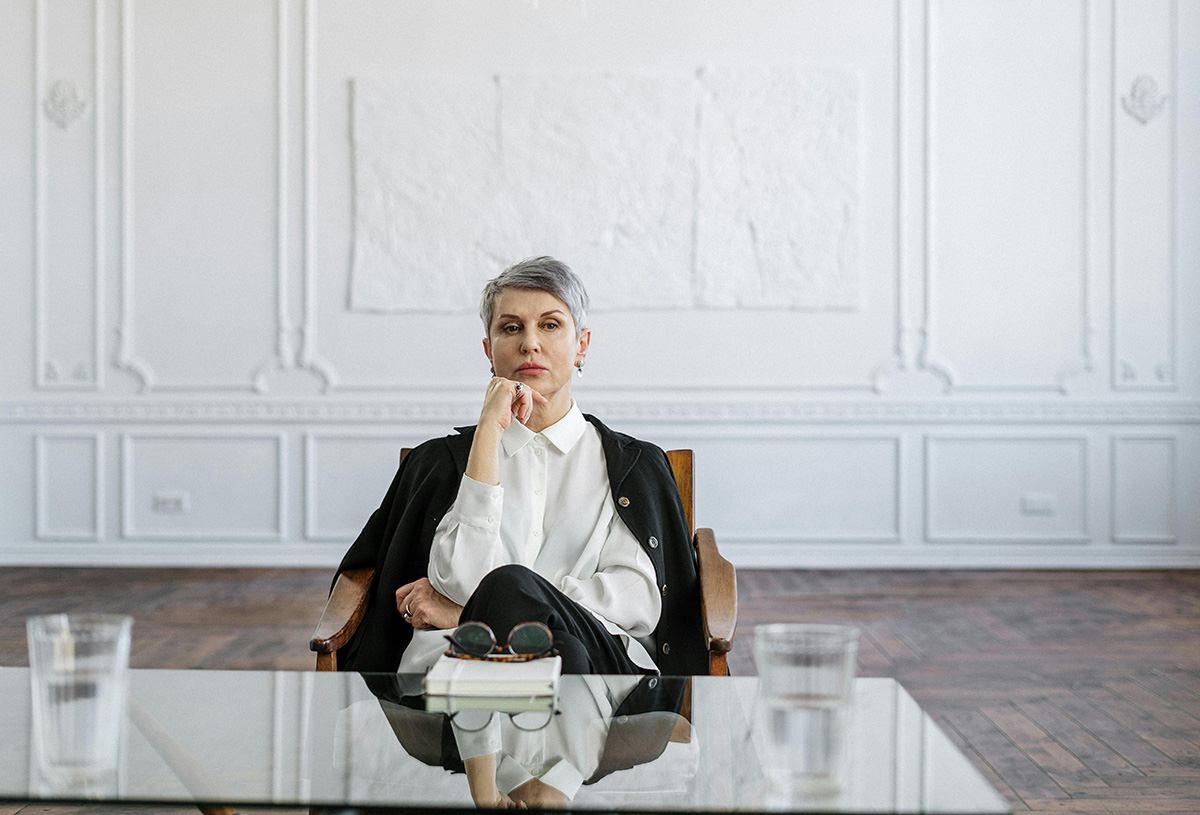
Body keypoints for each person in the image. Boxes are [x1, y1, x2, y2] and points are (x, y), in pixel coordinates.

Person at [332, 257, 707, 677]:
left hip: (598, 666)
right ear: (489, 350)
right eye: (511, 328)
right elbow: (458, 578)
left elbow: (636, 598)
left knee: (543, 622)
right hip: (462, 669)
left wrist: (474, 611)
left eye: (550, 325)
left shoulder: (634, 466)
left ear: (581, 344)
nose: (530, 343)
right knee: (559, 649)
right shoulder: (437, 463)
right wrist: (488, 433)